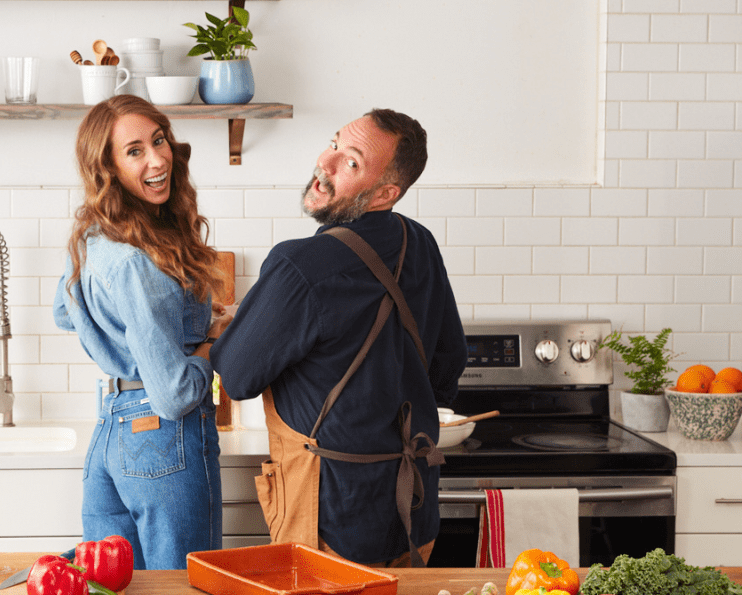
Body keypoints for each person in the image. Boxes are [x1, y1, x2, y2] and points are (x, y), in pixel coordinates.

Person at [211, 108, 467, 567]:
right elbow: (450, 360)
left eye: (350, 162)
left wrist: (234, 326)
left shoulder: (299, 265)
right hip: (415, 516)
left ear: (387, 192)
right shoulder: (420, 242)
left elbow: (236, 375)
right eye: (333, 143)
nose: (324, 165)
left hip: (328, 525)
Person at [53, 95, 231, 570]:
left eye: (159, 140)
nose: (157, 159)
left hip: (112, 431)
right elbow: (173, 394)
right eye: (134, 151)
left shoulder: (93, 237)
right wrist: (212, 340)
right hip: (163, 440)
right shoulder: (135, 259)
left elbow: (65, 312)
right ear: (107, 166)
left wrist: (142, 323)